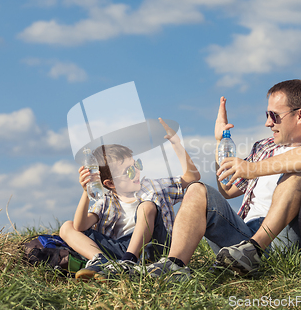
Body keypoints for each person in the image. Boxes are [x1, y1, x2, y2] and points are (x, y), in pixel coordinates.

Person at [146, 79, 301, 280]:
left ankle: (255, 250)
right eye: (267, 115)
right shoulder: (263, 147)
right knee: (197, 189)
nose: (268, 122)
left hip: (284, 239)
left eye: (274, 115)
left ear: (300, 115)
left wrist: (252, 168)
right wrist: (220, 141)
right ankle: (176, 265)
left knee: (299, 171)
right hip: (241, 239)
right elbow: (228, 190)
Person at [59, 118, 200, 280]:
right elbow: (80, 226)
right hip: (117, 250)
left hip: (153, 247)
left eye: (137, 165)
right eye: (129, 171)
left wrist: (176, 144)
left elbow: (193, 177)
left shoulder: (154, 187)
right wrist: (86, 192)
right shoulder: (106, 200)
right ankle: (100, 260)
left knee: (147, 206)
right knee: (66, 227)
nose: (136, 172)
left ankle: (129, 261)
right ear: (110, 183)